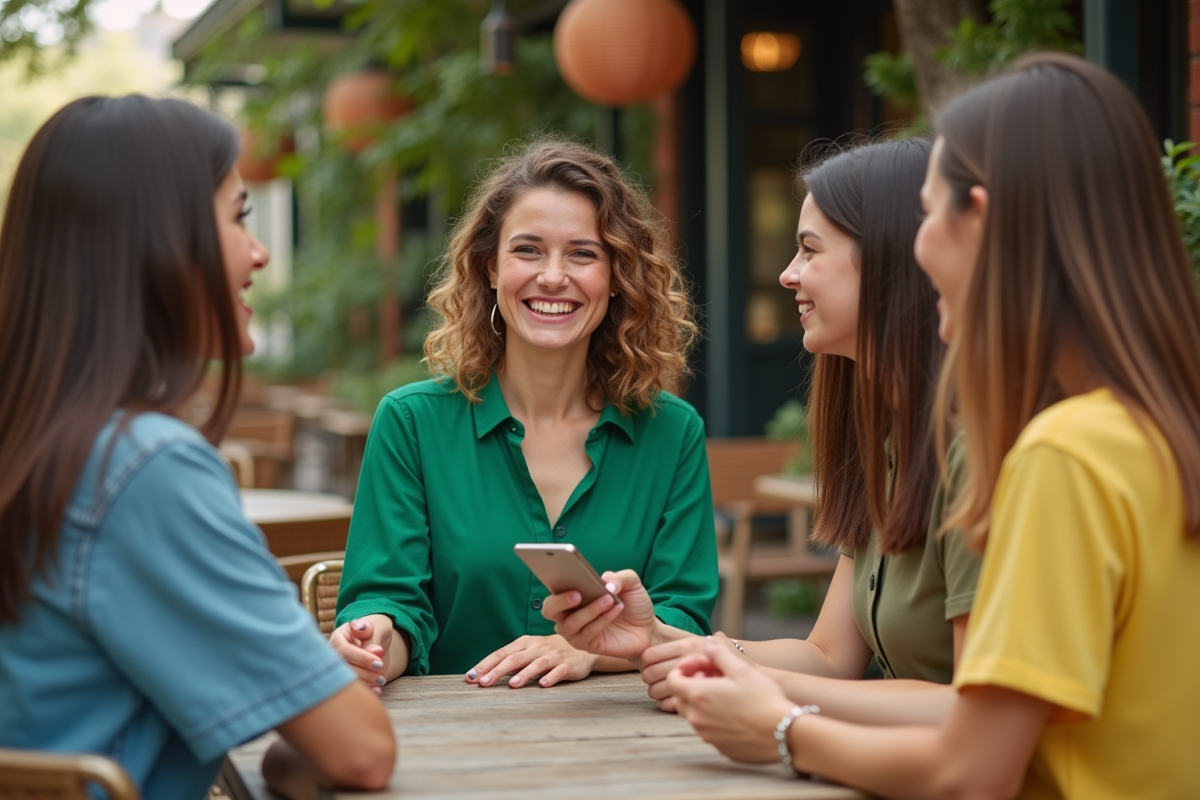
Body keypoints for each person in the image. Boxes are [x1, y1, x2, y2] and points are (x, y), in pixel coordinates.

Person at [664, 52, 1200, 800]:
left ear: (977, 218)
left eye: (931, 207)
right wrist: (696, 656)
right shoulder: (1146, 430)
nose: (918, 244)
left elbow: (972, 770)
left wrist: (782, 730)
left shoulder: (1059, 454)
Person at [0, 95, 395, 800]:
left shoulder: (34, 436)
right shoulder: (145, 468)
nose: (259, 250)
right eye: (239, 216)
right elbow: (361, 751)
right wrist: (298, 729)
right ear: (155, 240)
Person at [545, 137, 982, 724]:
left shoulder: (974, 453)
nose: (786, 274)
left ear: (891, 260)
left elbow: (974, 710)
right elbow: (828, 656)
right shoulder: (888, 446)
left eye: (808, 250)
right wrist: (655, 639)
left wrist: (759, 690)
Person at [331, 139, 718, 689]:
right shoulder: (411, 424)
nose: (554, 277)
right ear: (490, 267)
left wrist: (585, 650)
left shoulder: (673, 433)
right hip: (451, 742)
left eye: (583, 254)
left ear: (616, 277)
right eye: (528, 250)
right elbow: (392, 604)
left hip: (623, 743)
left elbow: (684, 619)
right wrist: (371, 642)